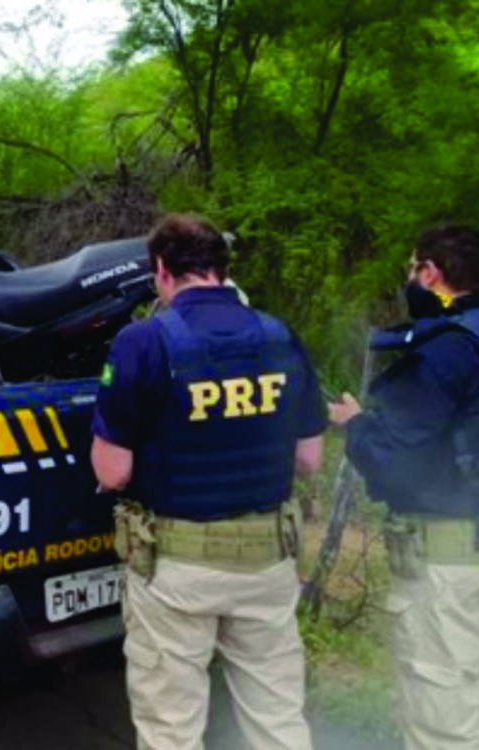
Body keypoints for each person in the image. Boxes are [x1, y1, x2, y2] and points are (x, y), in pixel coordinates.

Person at [91, 214, 327, 750]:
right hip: (268, 560)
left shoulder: (141, 342)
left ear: (161, 271)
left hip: (178, 570)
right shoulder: (279, 335)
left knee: (172, 728)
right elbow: (309, 458)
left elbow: (113, 471)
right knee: (278, 720)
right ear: (222, 268)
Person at [328, 222, 479, 750]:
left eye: (413, 269)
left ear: (431, 273)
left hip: (445, 565)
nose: (410, 279)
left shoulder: (444, 349)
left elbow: (392, 460)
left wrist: (356, 424)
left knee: (442, 714)